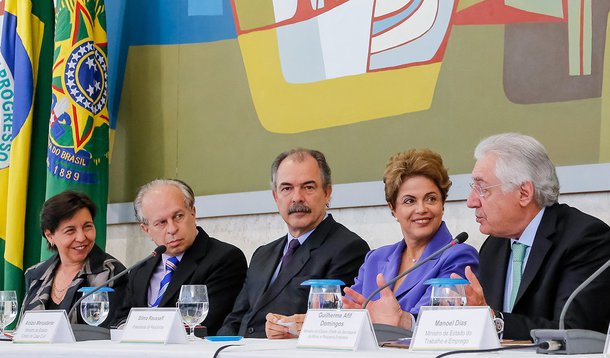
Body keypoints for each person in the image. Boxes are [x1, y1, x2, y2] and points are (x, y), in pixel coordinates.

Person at [456, 133, 610, 340]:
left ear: (524, 193)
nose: (471, 201)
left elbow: (574, 331)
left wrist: (494, 321)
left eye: (482, 189)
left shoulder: (586, 238)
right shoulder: (494, 245)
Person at [218, 148, 370, 338]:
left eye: (308, 187)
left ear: (327, 192)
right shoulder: (262, 254)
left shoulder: (348, 248)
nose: (297, 197)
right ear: (275, 196)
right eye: (287, 188)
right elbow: (235, 320)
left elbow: (335, 326)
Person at [340, 149, 479, 331]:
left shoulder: (459, 256)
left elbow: (441, 322)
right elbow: (349, 310)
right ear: (392, 208)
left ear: (443, 204)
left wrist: (403, 321)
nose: (421, 209)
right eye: (409, 201)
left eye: (431, 199)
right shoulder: (375, 258)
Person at [114, 179, 247, 335]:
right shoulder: (139, 271)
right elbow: (120, 320)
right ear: (146, 229)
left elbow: (205, 325)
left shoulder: (225, 259)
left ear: (193, 212)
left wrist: (141, 331)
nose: (172, 229)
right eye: (161, 222)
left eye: (178, 216)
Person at [21, 190, 127, 328]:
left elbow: (113, 331)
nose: (82, 237)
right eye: (70, 230)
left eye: (87, 227)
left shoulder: (111, 272)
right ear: (50, 236)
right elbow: (22, 330)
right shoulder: (36, 274)